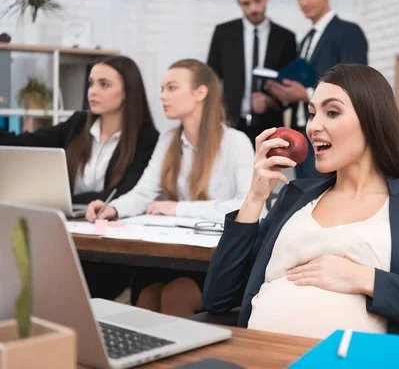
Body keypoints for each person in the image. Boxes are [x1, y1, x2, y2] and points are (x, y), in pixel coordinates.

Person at [201, 64, 399, 351]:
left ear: (373, 121)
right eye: (312, 113)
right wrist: (255, 197)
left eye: (332, 112)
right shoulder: (296, 196)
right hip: (258, 356)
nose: (313, 126)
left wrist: (364, 278)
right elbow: (217, 298)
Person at [86, 59, 254, 318]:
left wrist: (177, 208)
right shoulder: (167, 139)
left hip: (219, 260)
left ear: (200, 92)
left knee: (176, 295)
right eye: (162, 88)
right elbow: (144, 193)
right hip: (177, 254)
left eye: (172, 88)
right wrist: (112, 209)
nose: (163, 96)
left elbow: (248, 205)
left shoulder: (236, 141)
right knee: (147, 295)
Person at [0, 55, 159, 300]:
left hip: (106, 245)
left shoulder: (146, 138)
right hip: (67, 230)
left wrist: (69, 200)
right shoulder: (77, 124)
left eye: (104, 84)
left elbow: (127, 191)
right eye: (91, 83)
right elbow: (24, 143)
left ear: (128, 92)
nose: (92, 91)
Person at [265, 0, 368, 179]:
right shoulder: (305, 41)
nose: (303, 2)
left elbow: (354, 87)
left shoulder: (348, 32)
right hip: (303, 137)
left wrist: (305, 94)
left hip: (331, 137)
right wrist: (280, 93)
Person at [207, 0, 297, 144]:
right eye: (246, 3)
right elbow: (211, 78)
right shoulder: (223, 33)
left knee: (268, 171)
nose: (253, 8)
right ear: (238, 3)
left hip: (271, 126)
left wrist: (271, 101)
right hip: (230, 124)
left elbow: (291, 87)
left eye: (258, 0)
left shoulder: (285, 38)